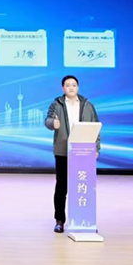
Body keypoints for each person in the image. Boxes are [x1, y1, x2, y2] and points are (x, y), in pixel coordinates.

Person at [45, 75, 100, 234]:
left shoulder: (87, 105)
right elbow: (48, 120)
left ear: (78, 87)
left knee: (83, 186)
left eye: (74, 85)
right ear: (63, 88)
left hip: (83, 151)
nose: (71, 87)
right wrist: (53, 124)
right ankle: (59, 220)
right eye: (68, 85)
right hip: (63, 150)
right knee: (61, 187)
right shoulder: (57, 104)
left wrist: (96, 147)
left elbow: (96, 126)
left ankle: (84, 220)